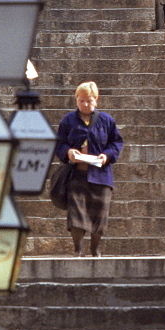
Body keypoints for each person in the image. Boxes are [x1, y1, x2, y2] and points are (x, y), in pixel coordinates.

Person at [55, 81, 124, 257]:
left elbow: (116, 142)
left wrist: (106, 155)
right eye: (82, 101)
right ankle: (78, 249)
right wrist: (68, 152)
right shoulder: (68, 120)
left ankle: (95, 248)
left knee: (99, 214)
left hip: (100, 175)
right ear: (76, 100)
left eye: (89, 101)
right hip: (77, 174)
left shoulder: (106, 121)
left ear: (96, 100)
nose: (85, 104)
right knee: (76, 214)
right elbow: (59, 143)